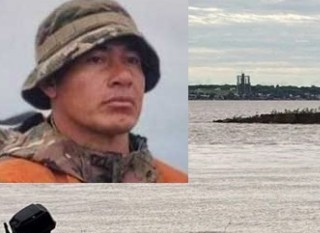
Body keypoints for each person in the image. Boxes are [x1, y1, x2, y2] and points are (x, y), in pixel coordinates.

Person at [0, 0, 187, 183]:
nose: (124, 77)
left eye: (132, 60)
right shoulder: (13, 181)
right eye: (97, 59)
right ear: (50, 82)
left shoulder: (177, 184)